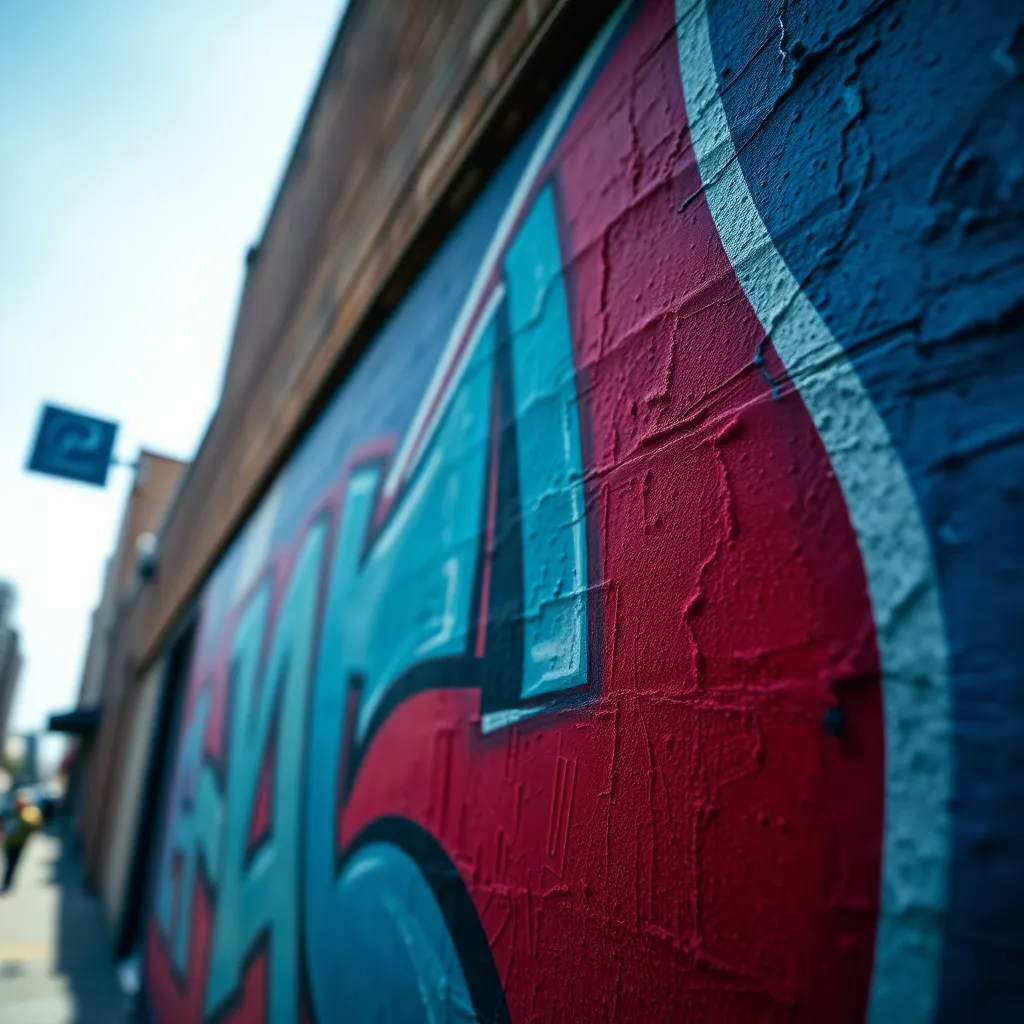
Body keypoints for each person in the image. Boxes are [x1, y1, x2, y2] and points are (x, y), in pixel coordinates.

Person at [1, 790, 43, 892]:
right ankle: (7, 881)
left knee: (13, 863)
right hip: (8, 841)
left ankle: (8, 882)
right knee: (8, 862)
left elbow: (35, 824)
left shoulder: (29, 812)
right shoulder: (10, 811)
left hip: (19, 843)